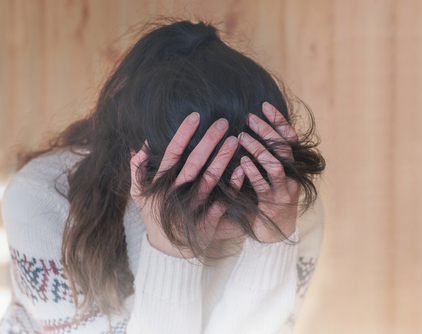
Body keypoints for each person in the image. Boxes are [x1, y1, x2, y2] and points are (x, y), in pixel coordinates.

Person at [0, 19, 326, 333]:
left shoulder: (282, 201)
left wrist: (272, 244)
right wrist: (171, 250)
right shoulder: (43, 201)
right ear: (141, 170)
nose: (224, 222)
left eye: (242, 198)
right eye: (204, 195)